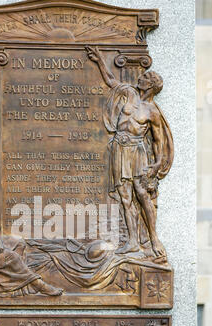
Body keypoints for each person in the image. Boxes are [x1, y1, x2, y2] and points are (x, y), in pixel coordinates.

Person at [86, 46, 174, 260]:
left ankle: (153, 239)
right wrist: (99, 60)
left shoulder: (152, 112)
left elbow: (158, 142)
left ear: (151, 86)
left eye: (145, 78)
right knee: (125, 198)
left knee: (142, 195)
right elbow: (110, 82)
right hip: (119, 149)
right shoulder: (128, 92)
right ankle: (133, 242)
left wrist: (157, 164)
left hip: (137, 152)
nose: (140, 79)